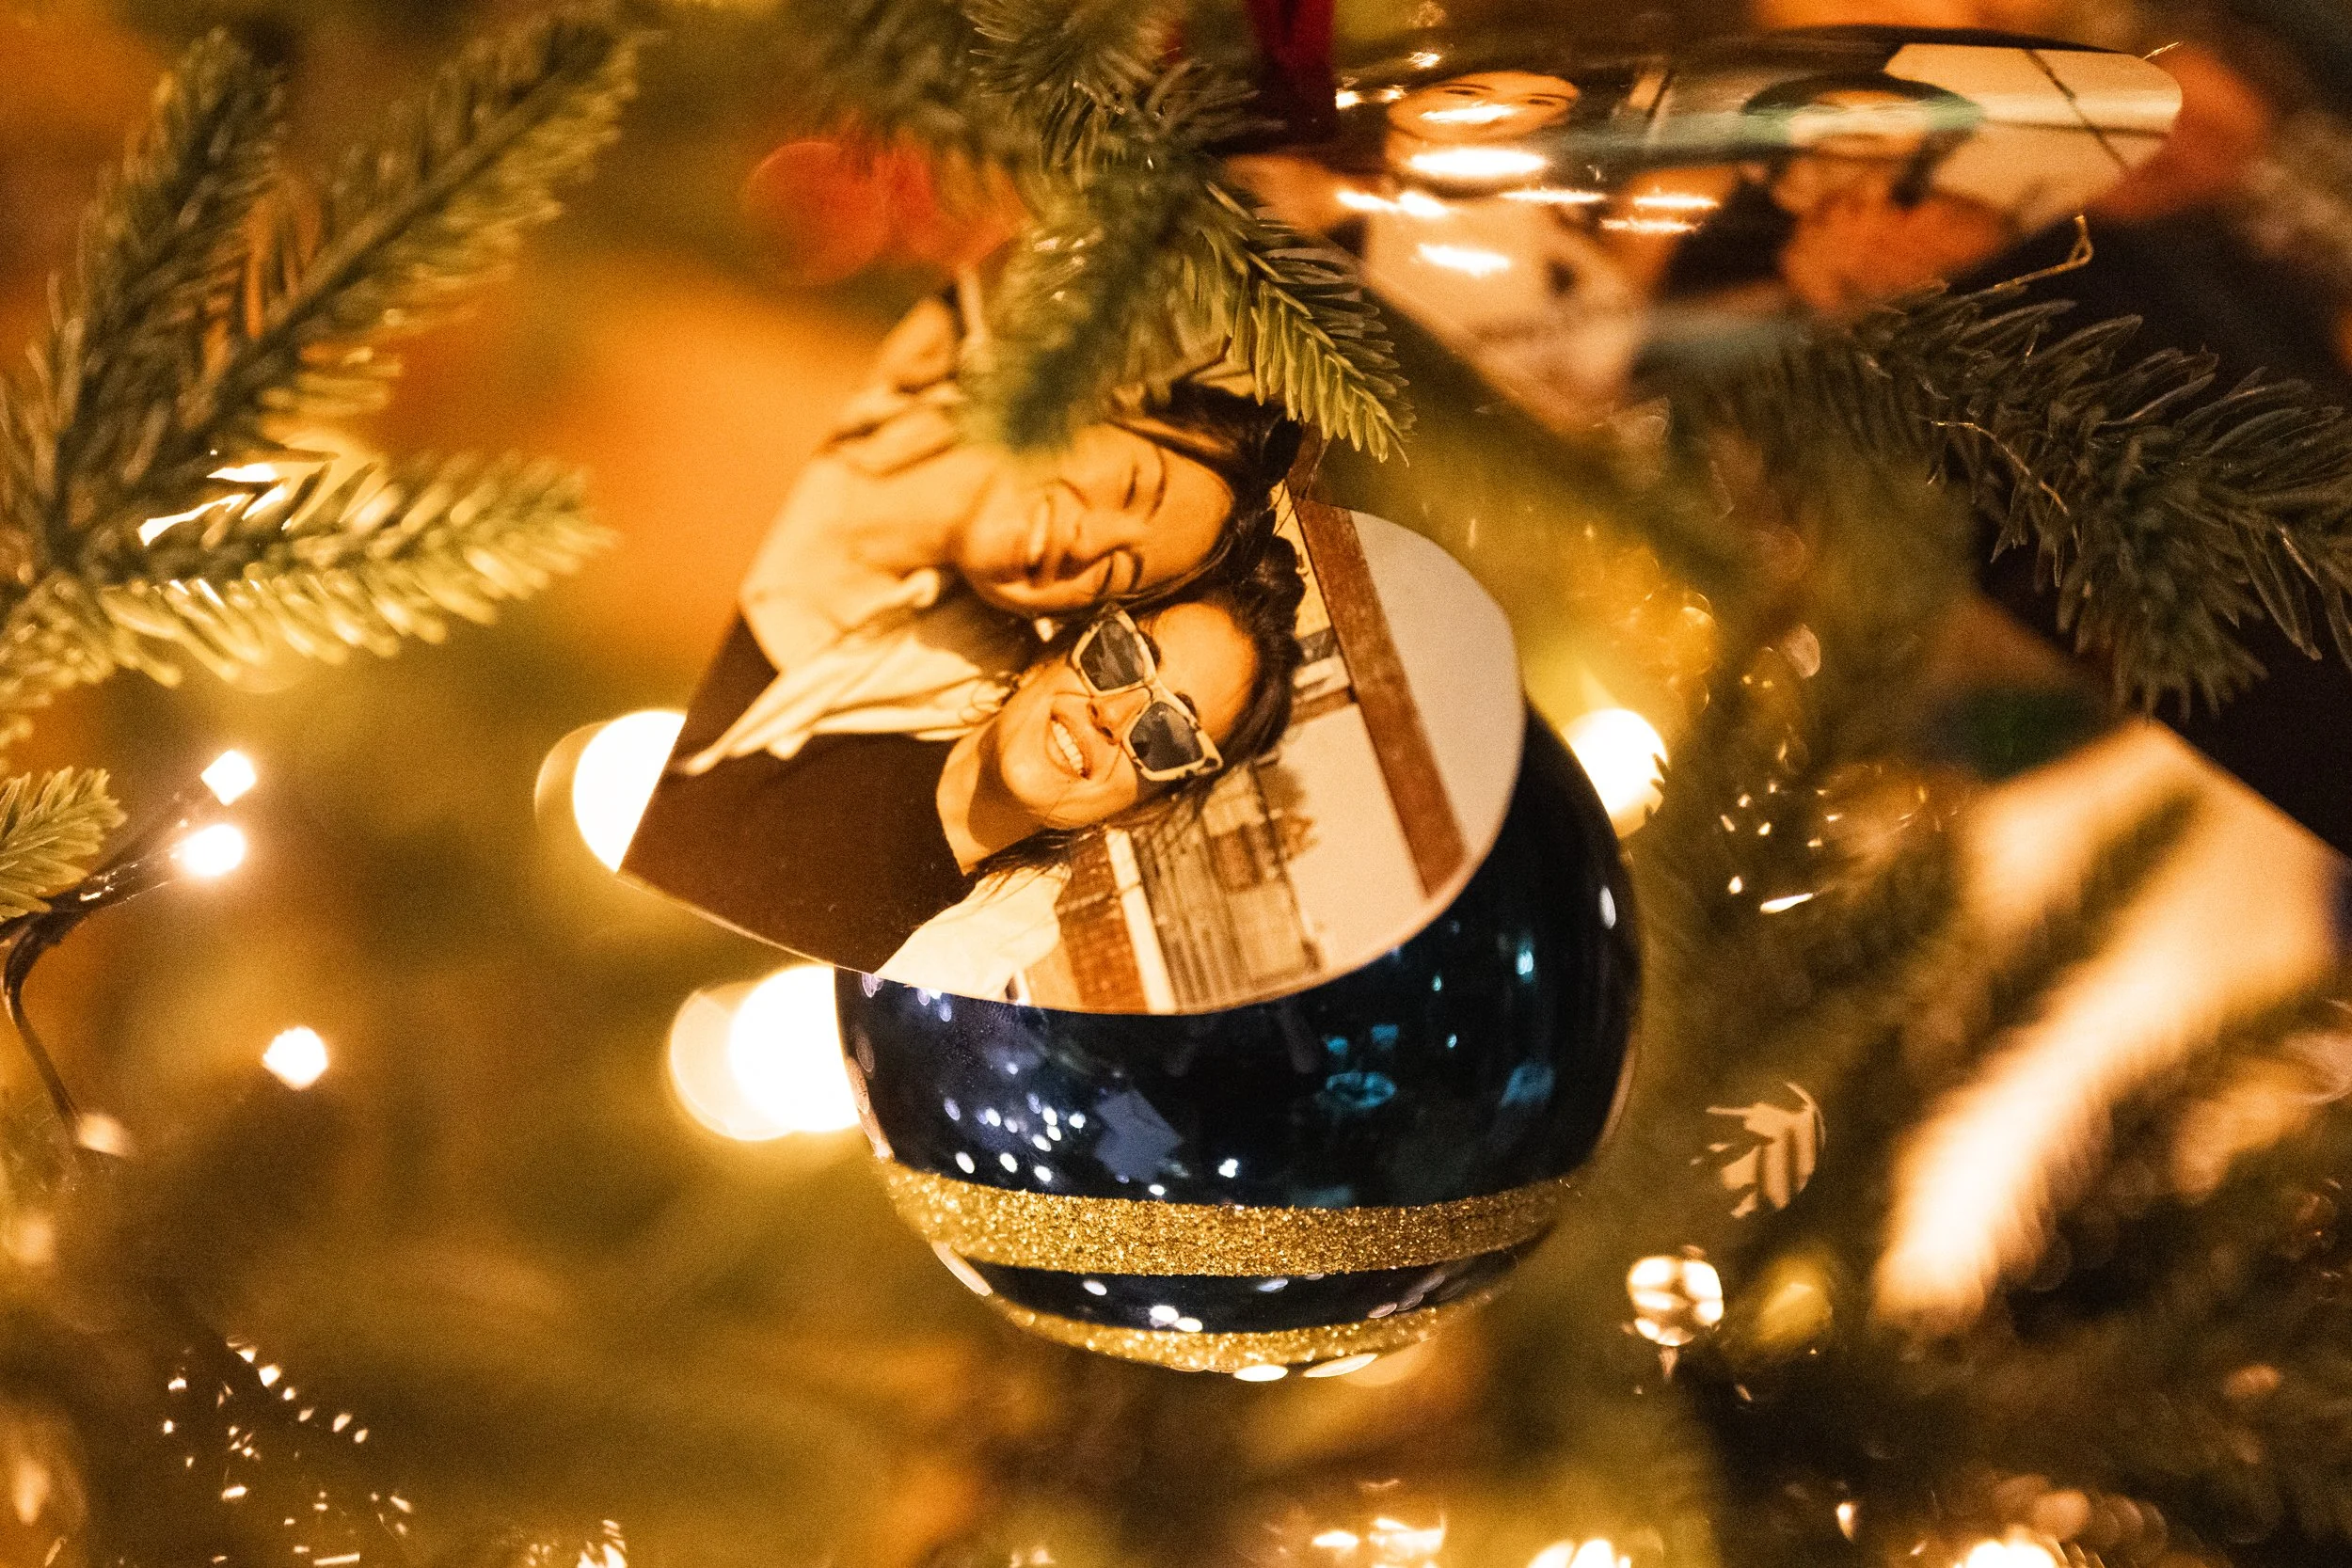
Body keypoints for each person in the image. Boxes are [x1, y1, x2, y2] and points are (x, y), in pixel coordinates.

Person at [678, 293, 1303, 771]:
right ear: (1099, 408)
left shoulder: (932, 685)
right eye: (1131, 487)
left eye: (1115, 572)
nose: (1085, 543)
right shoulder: (881, 336)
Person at [627, 544, 1308, 977]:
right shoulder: (875, 646)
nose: (1113, 714)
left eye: (1169, 734)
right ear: (1056, 650)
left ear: (1148, 808)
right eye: (1121, 655)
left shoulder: (957, 972)